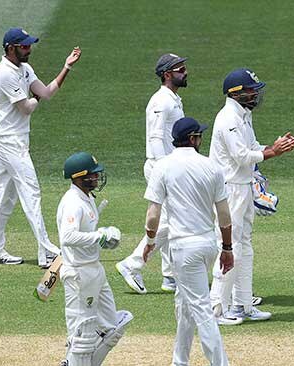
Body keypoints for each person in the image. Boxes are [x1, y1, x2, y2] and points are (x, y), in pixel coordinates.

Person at [0, 27, 81, 268]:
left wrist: (66, 67)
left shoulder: (25, 69)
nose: (29, 49)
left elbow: (46, 93)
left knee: (4, 197)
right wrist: (34, 98)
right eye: (24, 46)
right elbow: (25, 107)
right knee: (31, 191)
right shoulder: (3, 74)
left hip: (16, 139)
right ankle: (47, 251)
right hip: (8, 141)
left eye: (29, 45)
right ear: (10, 48)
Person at [208, 68, 294, 324]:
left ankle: (243, 305)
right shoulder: (228, 119)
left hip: (243, 186)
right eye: (250, 91)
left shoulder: (243, 115)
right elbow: (241, 157)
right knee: (229, 246)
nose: (255, 95)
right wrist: (273, 153)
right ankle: (216, 309)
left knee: (244, 246)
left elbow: (253, 148)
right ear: (235, 93)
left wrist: (275, 146)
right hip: (229, 190)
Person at [142, 117, 233, 366]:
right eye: (199, 136)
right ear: (192, 139)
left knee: (201, 309)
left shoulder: (163, 166)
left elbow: (153, 216)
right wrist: (228, 248)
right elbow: (224, 216)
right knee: (184, 303)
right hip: (208, 245)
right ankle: (179, 361)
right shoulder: (212, 167)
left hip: (183, 248)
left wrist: (150, 242)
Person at [116, 53, 188, 294]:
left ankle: (170, 276)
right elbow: (156, 138)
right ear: (167, 74)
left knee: (171, 220)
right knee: (169, 222)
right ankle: (132, 264)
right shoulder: (161, 102)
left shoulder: (174, 99)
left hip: (168, 167)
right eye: (180, 69)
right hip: (161, 168)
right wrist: (165, 170)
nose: (185, 72)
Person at [57, 152, 133, 366]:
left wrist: (103, 237)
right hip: (79, 274)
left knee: (113, 326)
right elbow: (68, 236)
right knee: (83, 332)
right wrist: (99, 237)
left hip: (95, 270)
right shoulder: (73, 202)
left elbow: (86, 234)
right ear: (79, 177)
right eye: (93, 175)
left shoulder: (87, 197)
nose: (97, 178)